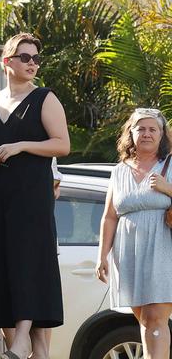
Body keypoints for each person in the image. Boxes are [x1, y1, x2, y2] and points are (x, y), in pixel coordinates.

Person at [0, 33, 69, 359]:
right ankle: (33, 350)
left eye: (36, 58)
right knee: (3, 265)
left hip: (32, 197)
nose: (32, 63)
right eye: (24, 57)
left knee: (28, 265)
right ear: (6, 62)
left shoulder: (45, 98)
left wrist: (22, 146)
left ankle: (22, 338)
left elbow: (62, 144)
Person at [97, 108, 172, 359]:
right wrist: (102, 256)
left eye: (153, 129)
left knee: (155, 318)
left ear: (162, 135)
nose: (147, 134)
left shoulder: (170, 165)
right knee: (144, 320)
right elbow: (109, 216)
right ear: (131, 132)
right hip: (128, 251)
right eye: (141, 128)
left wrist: (168, 188)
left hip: (163, 248)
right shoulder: (119, 171)